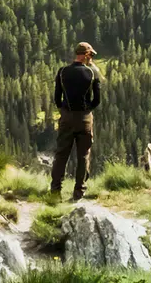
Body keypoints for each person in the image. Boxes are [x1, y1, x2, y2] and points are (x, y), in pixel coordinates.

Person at [51, 41, 101, 199]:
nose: (91, 58)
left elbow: (57, 98)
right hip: (84, 118)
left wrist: (64, 110)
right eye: (91, 55)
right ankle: (79, 192)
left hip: (66, 116)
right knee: (83, 155)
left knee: (61, 155)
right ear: (86, 55)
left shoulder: (62, 71)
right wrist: (87, 110)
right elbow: (97, 99)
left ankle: (55, 191)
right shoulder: (92, 73)